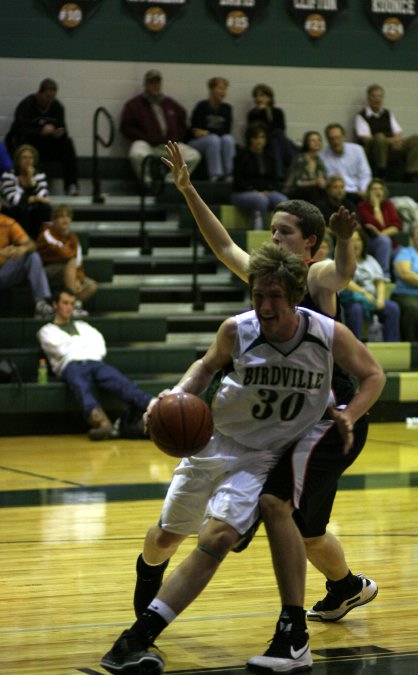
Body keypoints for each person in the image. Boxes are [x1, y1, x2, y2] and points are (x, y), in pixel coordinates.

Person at [100, 242, 385, 675]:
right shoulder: (237, 330)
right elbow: (206, 366)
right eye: (258, 296)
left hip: (264, 458)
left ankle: (137, 639)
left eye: (274, 297)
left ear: (292, 296)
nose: (265, 306)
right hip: (214, 443)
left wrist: (351, 412)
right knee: (164, 539)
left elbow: (373, 374)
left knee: (217, 538)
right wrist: (177, 395)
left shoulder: (327, 333)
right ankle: (148, 581)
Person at [131, 142, 377, 644]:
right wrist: (188, 189)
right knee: (305, 528)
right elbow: (222, 246)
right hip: (281, 420)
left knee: (289, 519)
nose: (273, 239)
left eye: (282, 232)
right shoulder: (270, 281)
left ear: (310, 244)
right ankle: (346, 585)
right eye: (270, 232)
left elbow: (344, 273)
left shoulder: (313, 277)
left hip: (330, 418)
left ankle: (303, 612)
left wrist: (346, 239)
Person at [37, 288, 152, 440]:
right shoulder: (46, 330)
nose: (69, 307)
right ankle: (102, 422)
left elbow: (99, 344)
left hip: (95, 362)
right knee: (81, 385)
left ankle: (154, 407)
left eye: (72, 303)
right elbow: (60, 350)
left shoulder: (84, 326)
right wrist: (83, 345)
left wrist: (74, 346)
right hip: (71, 365)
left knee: (119, 381)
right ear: (55, 305)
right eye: (65, 303)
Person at [120, 69, 201, 186]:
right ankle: (146, 183)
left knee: (194, 156)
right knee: (136, 154)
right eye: (151, 83)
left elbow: (182, 122)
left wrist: (176, 137)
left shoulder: (170, 104)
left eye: (157, 83)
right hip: (147, 143)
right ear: (145, 84)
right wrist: (145, 137)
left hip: (169, 144)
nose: (155, 86)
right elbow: (125, 127)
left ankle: (171, 182)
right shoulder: (134, 105)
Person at [5, 78, 79, 196]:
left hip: (49, 144)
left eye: (52, 97)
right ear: (39, 93)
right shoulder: (26, 105)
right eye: (47, 96)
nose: (49, 100)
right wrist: (40, 131)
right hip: (30, 142)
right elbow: (18, 129)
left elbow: (63, 128)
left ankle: (71, 185)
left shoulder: (57, 107)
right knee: (24, 143)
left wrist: (58, 133)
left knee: (68, 144)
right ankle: (31, 185)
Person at [354, 84, 418, 182]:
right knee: (379, 137)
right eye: (374, 96)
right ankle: (382, 173)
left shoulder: (387, 113)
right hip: (374, 149)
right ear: (368, 98)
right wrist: (388, 141)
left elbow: (398, 132)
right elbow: (366, 139)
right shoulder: (361, 116)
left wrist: (397, 141)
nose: (377, 99)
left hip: (391, 147)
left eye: (380, 96)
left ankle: (411, 174)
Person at [340, 227, 400, 342]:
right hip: (353, 299)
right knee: (356, 309)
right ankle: (354, 347)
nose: (356, 244)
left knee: (392, 308)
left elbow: (380, 281)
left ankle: (392, 345)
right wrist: (364, 294)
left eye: (358, 240)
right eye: (352, 241)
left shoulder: (370, 260)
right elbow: (346, 281)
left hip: (372, 298)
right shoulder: (342, 261)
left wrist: (381, 299)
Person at [36, 204, 97, 315]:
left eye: (68, 216)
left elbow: (79, 261)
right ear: (54, 219)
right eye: (61, 216)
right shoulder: (47, 233)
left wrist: (78, 278)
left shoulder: (73, 237)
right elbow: (63, 253)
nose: (65, 219)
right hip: (45, 273)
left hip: (68, 272)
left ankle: (71, 305)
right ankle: (72, 305)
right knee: (70, 263)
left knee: (91, 286)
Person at [230, 122, 288, 229]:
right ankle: (257, 231)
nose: (259, 140)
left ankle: (279, 230)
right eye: (255, 137)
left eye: (262, 137)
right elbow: (238, 180)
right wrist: (253, 190)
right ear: (250, 139)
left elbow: (274, 179)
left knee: (282, 200)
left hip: (265, 192)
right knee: (260, 200)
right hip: (242, 192)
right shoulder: (242, 156)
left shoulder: (269, 157)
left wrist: (268, 190)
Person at [0, 204, 53, 319]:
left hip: (4, 272)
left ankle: (41, 302)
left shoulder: (7, 222)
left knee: (32, 256)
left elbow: (31, 244)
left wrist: (21, 249)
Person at [188, 77, 235, 181]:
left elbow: (226, 130)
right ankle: (215, 174)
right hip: (197, 142)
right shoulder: (202, 106)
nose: (222, 92)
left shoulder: (227, 108)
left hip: (214, 139)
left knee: (228, 139)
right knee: (213, 139)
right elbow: (196, 131)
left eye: (224, 89)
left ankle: (229, 174)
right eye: (220, 88)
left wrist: (208, 132)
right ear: (211, 89)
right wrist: (210, 133)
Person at [1, 144, 51, 240]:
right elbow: (14, 200)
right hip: (13, 211)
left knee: (44, 208)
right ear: (18, 160)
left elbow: (43, 195)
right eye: (24, 157)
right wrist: (35, 198)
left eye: (30, 158)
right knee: (23, 209)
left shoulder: (39, 175)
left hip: (32, 211)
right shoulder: (9, 175)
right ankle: (23, 240)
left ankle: (40, 240)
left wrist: (31, 179)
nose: (28, 160)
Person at [247, 83, 297, 180]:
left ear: (269, 98)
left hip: (276, 141)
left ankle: (279, 175)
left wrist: (268, 113)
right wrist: (263, 113)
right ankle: (293, 159)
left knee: (276, 141)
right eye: (257, 96)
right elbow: (258, 130)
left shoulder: (278, 112)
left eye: (262, 95)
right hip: (262, 141)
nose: (259, 98)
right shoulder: (253, 114)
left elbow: (281, 128)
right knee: (276, 136)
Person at [357, 178, 402, 281]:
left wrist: (381, 233)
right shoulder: (362, 206)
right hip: (370, 242)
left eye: (380, 189)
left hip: (390, 243)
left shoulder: (389, 205)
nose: (377, 191)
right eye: (374, 189)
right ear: (368, 192)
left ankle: (400, 283)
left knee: (403, 252)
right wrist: (376, 207)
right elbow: (377, 225)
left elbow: (396, 226)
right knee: (384, 241)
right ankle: (384, 276)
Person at [321, 124, 372, 202]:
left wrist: (363, 190)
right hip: (340, 194)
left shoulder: (357, 150)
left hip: (359, 192)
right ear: (328, 140)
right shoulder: (323, 157)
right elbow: (330, 180)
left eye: (338, 137)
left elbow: (365, 173)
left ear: (343, 137)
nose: (335, 141)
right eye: (332, 138)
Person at [284, 130, 327, 205]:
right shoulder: (300, 159)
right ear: (307, 143)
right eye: (312, 140)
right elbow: (298, 183)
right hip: (295, 190)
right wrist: (315, 182)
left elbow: (322, 178)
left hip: (313, 192)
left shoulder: (319, 161)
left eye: (318, 140)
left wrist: (324, 183)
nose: (316, 142)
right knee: (313, 190)